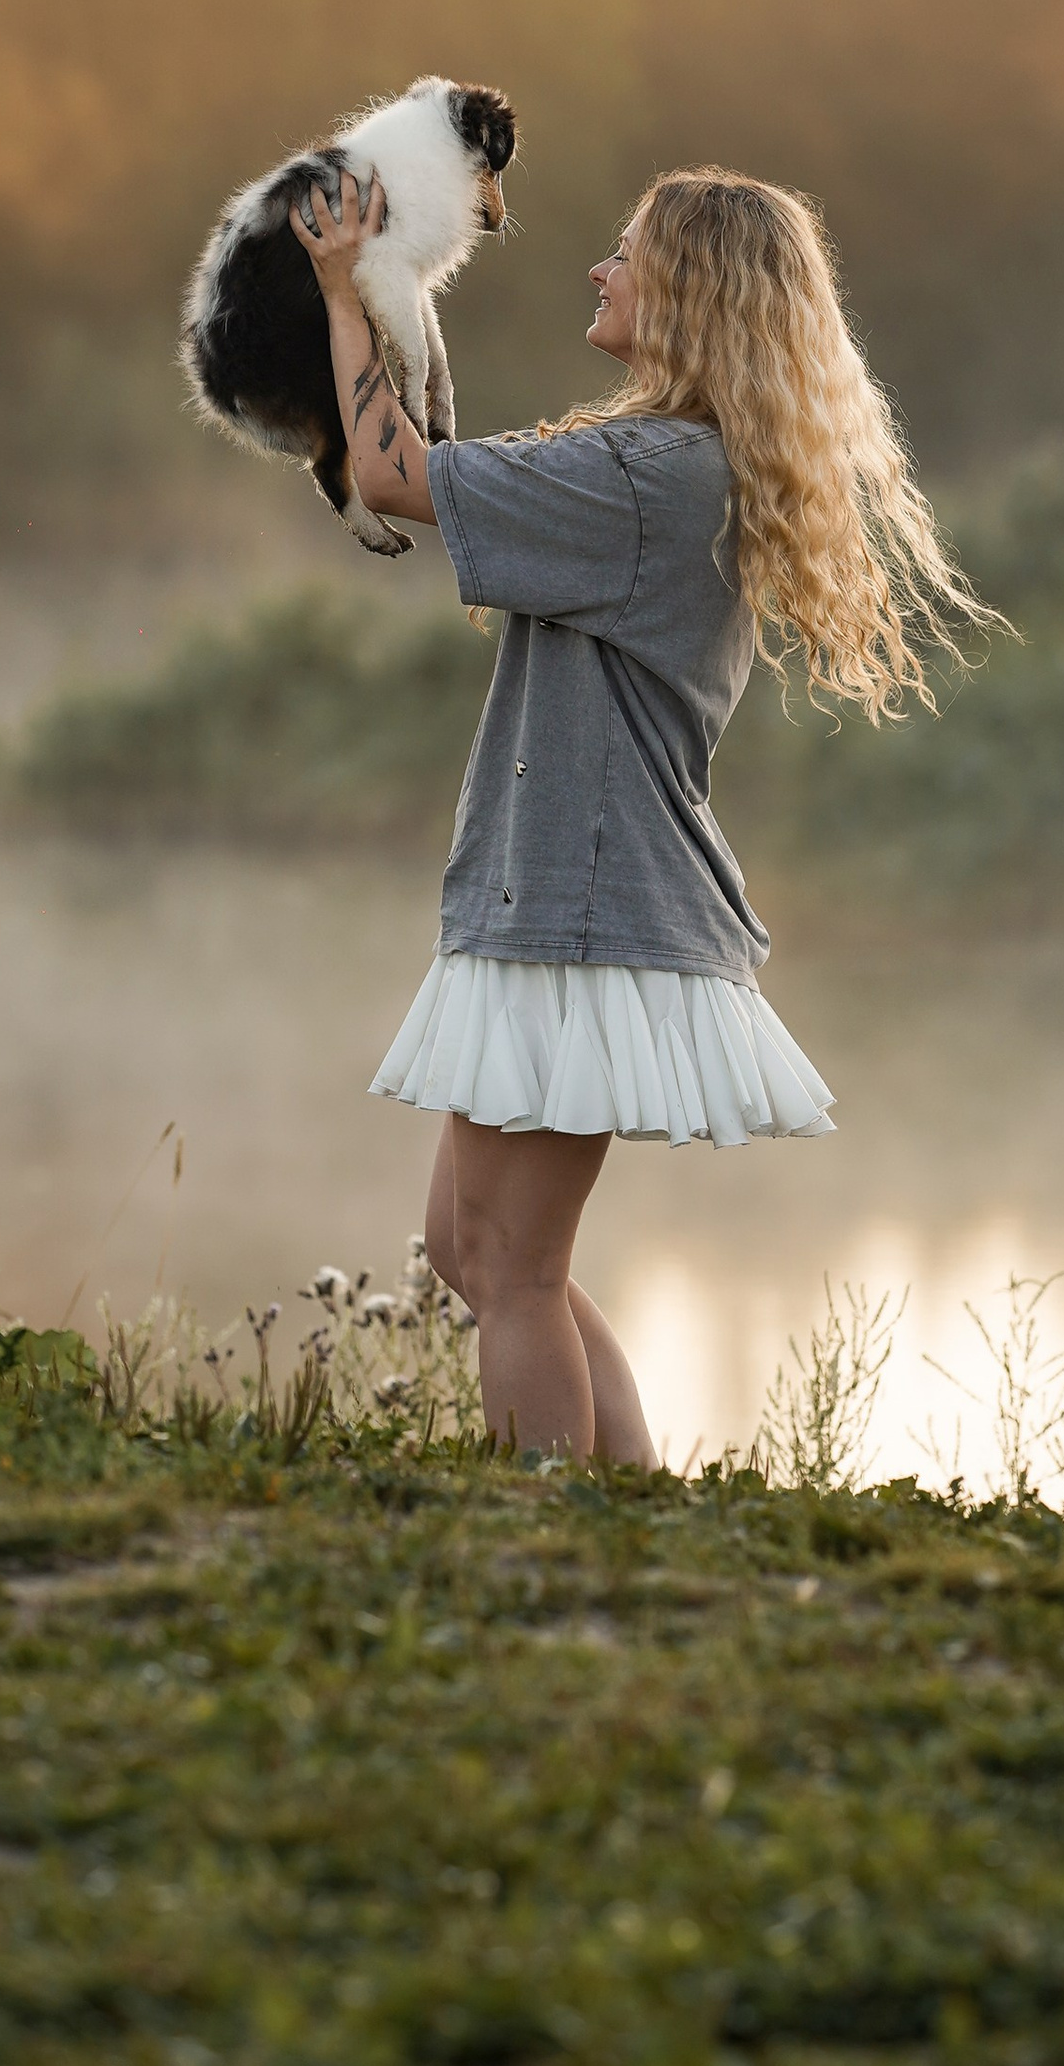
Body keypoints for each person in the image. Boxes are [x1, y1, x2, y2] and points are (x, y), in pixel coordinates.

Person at [288, 161, 992, 1467]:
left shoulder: (651, 474)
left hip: (582, 897)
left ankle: (553, 1537)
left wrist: (345, 294)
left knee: (513, 1265)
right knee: (476, 1248)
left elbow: (391, 478)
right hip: (556, 889)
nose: (600, 270)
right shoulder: (671, 465)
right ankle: (623, 1500)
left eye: (626, 254)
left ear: (693, 292)